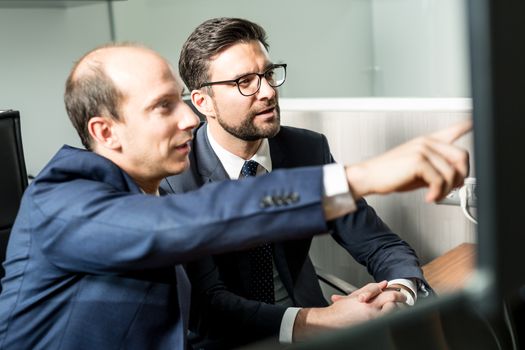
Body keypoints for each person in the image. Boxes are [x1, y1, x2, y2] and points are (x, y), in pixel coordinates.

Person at [0, 43, 469, 350]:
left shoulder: (145, 195)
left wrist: (331, 316)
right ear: (106, 132)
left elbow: (198, 301)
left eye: (178, 101)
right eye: (164, 107)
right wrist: (361, 176)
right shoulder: (59, 202)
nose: (187, 119)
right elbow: (195, 221)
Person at [162, 17, 471, 349]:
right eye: (244, 82)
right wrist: (315, 322)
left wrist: (399, 290)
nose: (267, 91)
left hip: (311, 323)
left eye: (267, 74)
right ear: (202, 102)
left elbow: (376, 243)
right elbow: (210, 306)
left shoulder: (304, 151)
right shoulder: (176, 178)